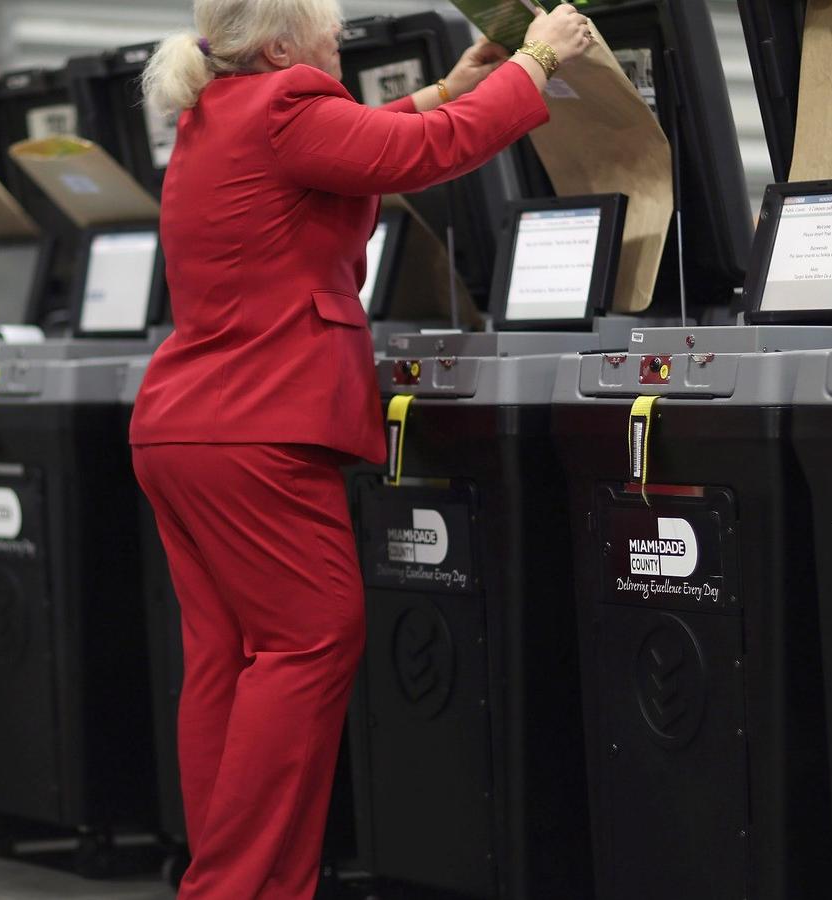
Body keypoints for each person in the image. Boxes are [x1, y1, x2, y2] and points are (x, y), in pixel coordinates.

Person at [132, 1, 595, 896]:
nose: (339, 38)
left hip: (186, 426)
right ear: (277, 46)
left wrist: (444, 88)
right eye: (325, 25)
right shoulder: (284, 104)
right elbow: (423, 156)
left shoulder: (221, 110)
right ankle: (238, 887)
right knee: (311, 639)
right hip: (259, 425)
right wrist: (535, 62)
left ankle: (226, 878)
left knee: (227, 657)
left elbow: (355, 144)